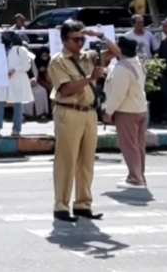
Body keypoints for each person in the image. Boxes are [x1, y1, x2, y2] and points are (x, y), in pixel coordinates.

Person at [49, 20, 120, 222]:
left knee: (87, 162)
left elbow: (116, 53)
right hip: (69, 110)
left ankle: (82, 203)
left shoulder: (89, 57)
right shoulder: (59, 60)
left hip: (89, 112)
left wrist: (99, 36)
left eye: (82, 38)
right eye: (75, 39)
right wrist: (90, 78)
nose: (80, 42)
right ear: (64, 40)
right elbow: (66, 89)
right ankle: (61, 205)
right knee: (66, 161)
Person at [104, 37, 149, 188]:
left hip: (127, 110)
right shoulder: (137, 63)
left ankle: (135, 178)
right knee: (138, 145)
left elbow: (118, 94)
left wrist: (109, 111)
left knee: (129, 145)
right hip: (140, 108)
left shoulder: (122, 67)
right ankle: (139, 175)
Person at [0, 28, 36, 137]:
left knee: (17, 104)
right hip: (3, 80)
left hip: (17, 80)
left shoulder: (21, 50)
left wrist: (14, 69)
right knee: (0, 103)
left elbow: (26, 65)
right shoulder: (2, 50)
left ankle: (16, 129)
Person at [27, 49, 52, 120]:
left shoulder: (50, 61)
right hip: (39, 80)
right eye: (43, 56)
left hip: (48, 80)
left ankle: (47, 112)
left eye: (46, 55)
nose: (45, 57)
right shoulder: (36, 61)